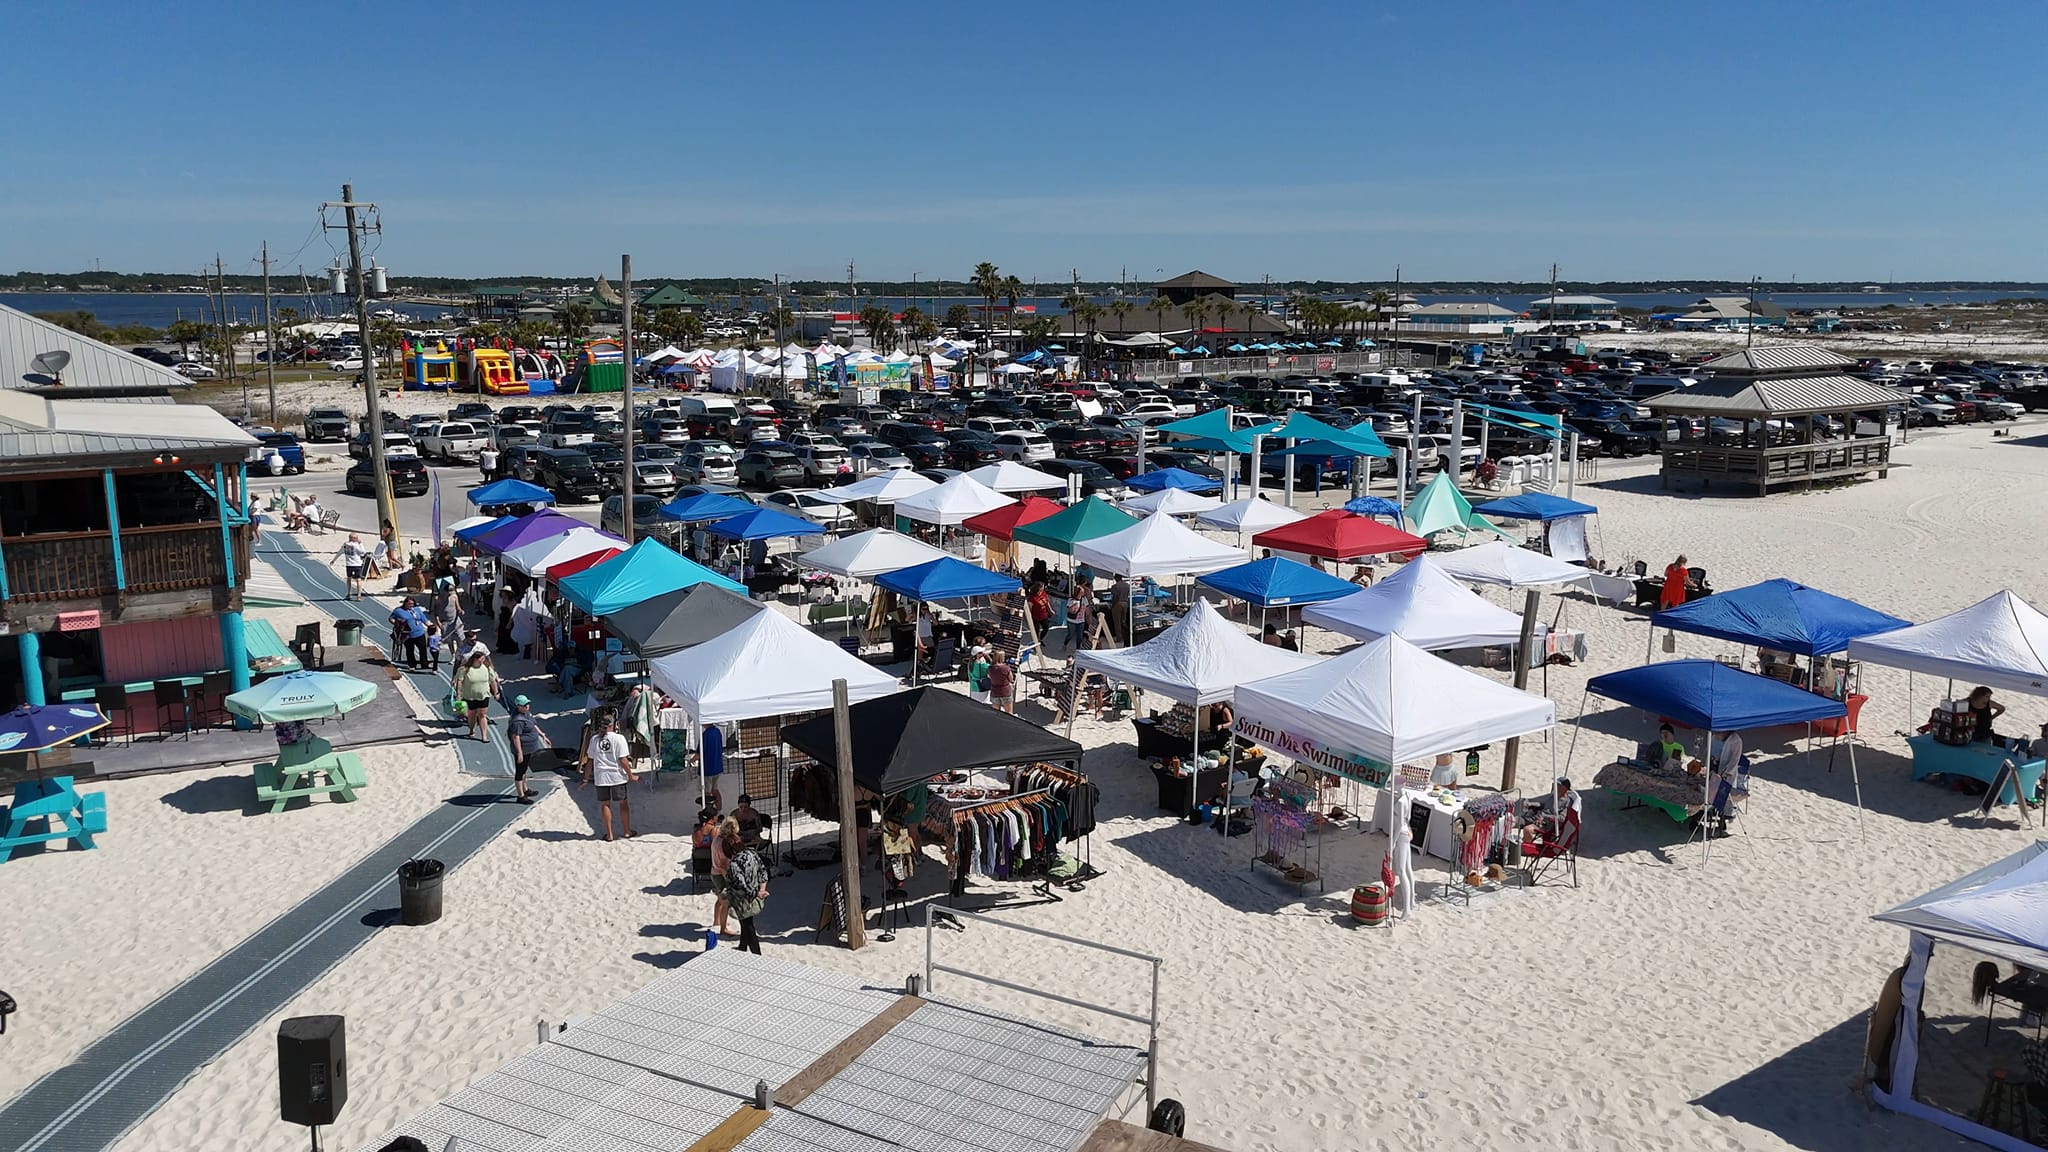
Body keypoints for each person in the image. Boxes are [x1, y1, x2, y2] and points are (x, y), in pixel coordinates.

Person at [580, 712, 636, 841]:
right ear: (614, 724)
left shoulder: (595, 739)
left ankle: (609, 834)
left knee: (605, 805)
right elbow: (623, 760)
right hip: (616, 776)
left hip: (601, 776)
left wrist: (585, 778)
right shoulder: (619, 738)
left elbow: (589, 761)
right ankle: (627, 831)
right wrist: (631, 775)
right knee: (623, 803)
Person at [722, 827, 769, 954]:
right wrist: (762, 889)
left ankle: (756, 954)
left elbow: (741, 885)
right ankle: (742, 947)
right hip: (755, 896)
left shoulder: (734, 864)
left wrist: (756, 893)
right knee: (746, 924)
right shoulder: (752, 853)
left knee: (748, 926)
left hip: (742, 900)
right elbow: (763, 871)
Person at [505, 695, 546, 804]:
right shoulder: (517, 721)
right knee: (520, 771)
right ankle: (520, 796)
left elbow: (533, 725)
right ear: (519, 706)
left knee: (524, 770)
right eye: (524, 705)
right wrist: (519, 753)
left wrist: (542, 735)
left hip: (528, 748)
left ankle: (525, 789)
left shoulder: (526, 714)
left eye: (527, 703)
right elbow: (515, 737)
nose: (527, 706)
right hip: (523, 749)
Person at [453, 650, 499, 742]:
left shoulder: (487, 668)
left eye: (484, 659)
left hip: (484, 695)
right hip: (469, 696)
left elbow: (492, 681)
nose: (483, 660)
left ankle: (484, 736)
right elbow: (459, 682)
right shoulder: (464, 669)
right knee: (472, 715)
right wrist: (458, 694)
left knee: (483, 715)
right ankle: (471, 729)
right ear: (475, 659)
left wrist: (496, 692)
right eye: (481, 659)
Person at [390, 597, 429, 669]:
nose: (411, 605)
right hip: (407, 635)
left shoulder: (417, 609)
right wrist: (397, 623)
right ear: (405, 603)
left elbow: (424, 619)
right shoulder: (398, 611)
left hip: (420, 633)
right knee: (410, 650)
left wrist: (431, 626)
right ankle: (412, 665)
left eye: (413, 604)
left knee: (423, 649)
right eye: (410, 604)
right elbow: (391, 618)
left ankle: (424, 664)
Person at [335, 534, 369, 600]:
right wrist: (361, 544)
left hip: (349, 565)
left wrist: (334, 560)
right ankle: (359, 595)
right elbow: (363, 552)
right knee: (358, 580)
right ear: (354, 538)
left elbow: (340, 552)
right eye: (356, 538)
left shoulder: (345, 544)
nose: (357, 539)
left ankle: (348, 594)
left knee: (349, 578)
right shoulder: (356, 545)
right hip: (357, 564)